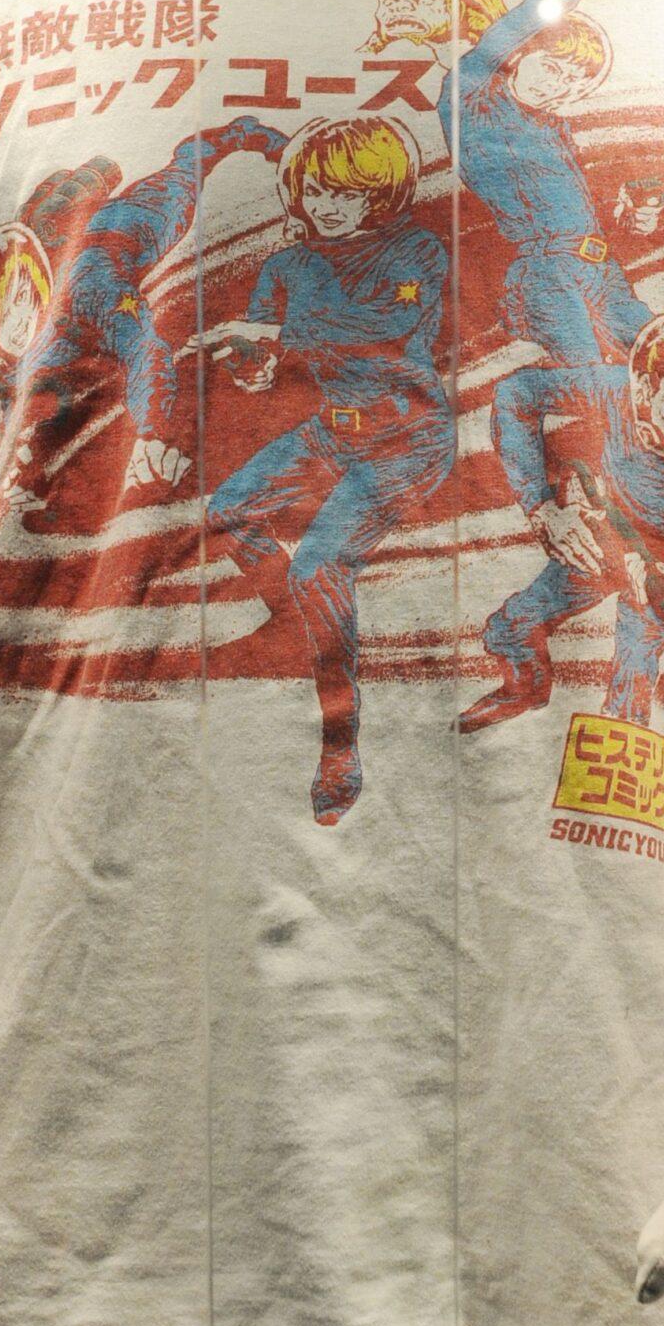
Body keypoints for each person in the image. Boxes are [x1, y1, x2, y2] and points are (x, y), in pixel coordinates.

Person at [196, 113, 453, 824]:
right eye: (315, 191)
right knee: (226, 513)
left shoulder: (417, 251)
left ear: (380, 192)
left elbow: (386, 329)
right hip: (333, 432)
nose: (328, 205)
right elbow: (263, 352)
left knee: (318, 567)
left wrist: (272, 334)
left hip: (409, 440)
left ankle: (340, 742)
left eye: (347, 191)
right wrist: (251, 364)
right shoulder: (288, 264)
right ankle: (296, 626)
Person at [459, 307, 664, 735]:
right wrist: (541, 507)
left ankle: (622, 731)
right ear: (646, 389)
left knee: (631, 677)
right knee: (511, 628)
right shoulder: (616, 389)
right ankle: (525, 688)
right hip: (607, 536)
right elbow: (517, 393)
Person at [367, 0, 653, 362]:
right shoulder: (473, 95)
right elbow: (528, 16)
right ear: (521, 54)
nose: (557, 87)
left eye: (573, 84)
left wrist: (628, 218)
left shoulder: (553, 128)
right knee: (591, 377)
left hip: (600, 270)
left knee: (663, 355)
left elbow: (574, 213)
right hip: (549, 272)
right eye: (552, 68)